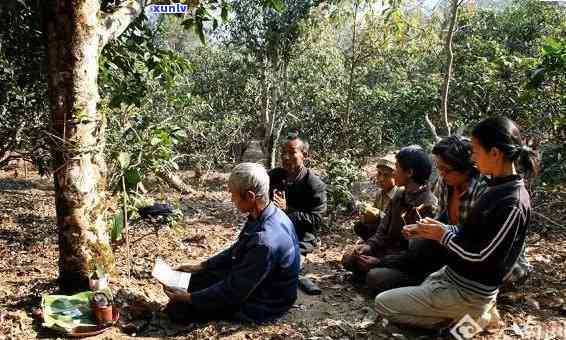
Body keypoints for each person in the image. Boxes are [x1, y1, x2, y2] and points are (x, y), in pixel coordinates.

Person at [375, 117, 539, 329]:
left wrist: (442, 235)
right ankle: (469, 321)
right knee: (406, 287)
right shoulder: (495, 187)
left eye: (476, 151)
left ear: (495, 153)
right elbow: (471, 232)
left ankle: (477, 317)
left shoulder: (512, 202)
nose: (473, 157)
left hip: (471, 292)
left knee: (383, 304)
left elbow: (485, 258)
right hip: (452, 276)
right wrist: (436, 229)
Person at [163, 162, 300, 324]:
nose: (231, 199)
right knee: (193, 279)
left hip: (266, 303)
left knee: (178, 310)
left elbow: (234, 291)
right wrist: (203, 266)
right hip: (259, 280)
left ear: (250, 196)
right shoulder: (267, 213)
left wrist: (189, 298)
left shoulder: (265, 241)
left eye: (233, 194)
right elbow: (238, 248)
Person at [342, 145, 437, 290]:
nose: (394, 173)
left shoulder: (428, 205)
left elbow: (413, 256)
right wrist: (369, 246)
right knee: (349, 259)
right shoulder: (399, 195)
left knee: (375, 277)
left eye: (397, 168)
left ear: (409, 173)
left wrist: (379, 262)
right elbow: (382, 229)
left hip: (407, 265)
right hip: (388, 254)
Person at [268, 135, 327, 254]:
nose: (285, 157)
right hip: (272, 233)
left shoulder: (314, 184)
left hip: (300, 239)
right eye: (283, 152)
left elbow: (317, 219)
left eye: (291, 152)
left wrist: (288, 210)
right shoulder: (275, 176)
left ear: (305, 155)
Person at [353, 154, 400, 242]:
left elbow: (395, 224)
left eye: (386, 175)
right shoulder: (380, 193)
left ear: (396, 176)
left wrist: (379, 215)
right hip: (380, 230)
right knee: (359, 226)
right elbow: (374, 212)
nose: (381, 178)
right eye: (379, 173)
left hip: (391, 234)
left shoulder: (399, 195)